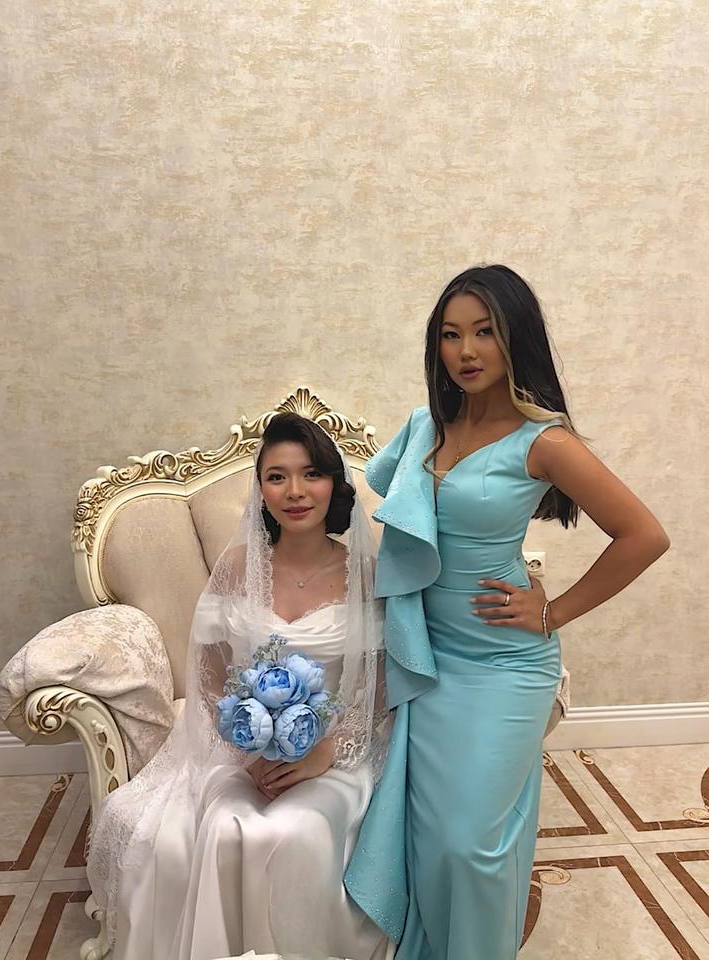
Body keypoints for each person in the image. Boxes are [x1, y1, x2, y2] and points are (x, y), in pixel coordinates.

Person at [345, 264, 670, 960]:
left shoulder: (543, 441)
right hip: (430, 659)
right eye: (450, 334)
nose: (465, 351)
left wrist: (554, 612)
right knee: (431, 835)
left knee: (469, 842)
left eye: (484, 332)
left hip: (504, 664)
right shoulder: (426, 427)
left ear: (514, 337)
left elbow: (645, 536)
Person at [87, 412, 393, 960]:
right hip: (244, 752)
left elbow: (379, 683)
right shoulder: (236, 568)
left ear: (334, 484)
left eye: (311, 474)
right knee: (228, 826)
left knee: (296, 832)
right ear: (260, 490)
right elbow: (208, 676)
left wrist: (327, 750)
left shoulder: (364, 575)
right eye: (277, 476)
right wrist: (246, 747)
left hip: (335, 754)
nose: (294, 491)